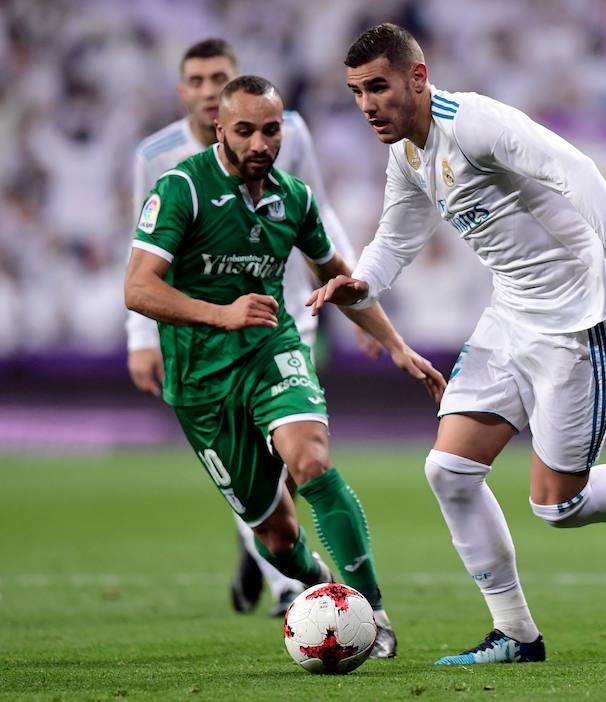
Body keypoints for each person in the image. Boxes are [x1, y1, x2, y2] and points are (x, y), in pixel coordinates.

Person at [308, 23, 606, 665]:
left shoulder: (474, 124)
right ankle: (517, 635)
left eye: (377, 87)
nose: (366, 105)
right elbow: (397, 238)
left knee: (558, 506)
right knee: (449, 471)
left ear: (417, 76)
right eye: (356, 92)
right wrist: (358, 282)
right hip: (509, 316)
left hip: (577, 323)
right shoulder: (407, 155)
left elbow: (573, 168)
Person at [124, 74, 446, 659]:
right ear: (219, 130)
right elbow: (138, 288)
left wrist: (395, 344)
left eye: (270, 130)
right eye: (244, 131)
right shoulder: (181, 190)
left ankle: (371, 609)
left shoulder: (292, 197)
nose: (258, 144)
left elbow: (336, 276)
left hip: (272, 351)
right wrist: (220, 314)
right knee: (276, 533)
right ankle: (317, 578)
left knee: (311, 460)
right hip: (199, 381)